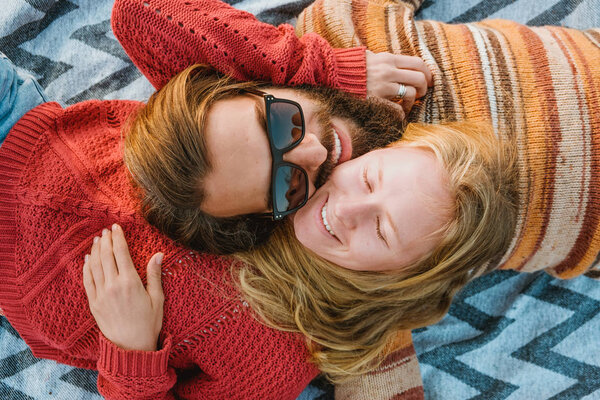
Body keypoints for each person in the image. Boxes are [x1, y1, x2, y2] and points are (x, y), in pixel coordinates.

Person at [0, 0, 431, 398]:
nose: (315, 151)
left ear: (257, 221)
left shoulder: (270, 350)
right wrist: (321, 68)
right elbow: (140, 12)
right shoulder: (228, 103)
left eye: (288, 185)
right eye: (282, 120)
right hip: (16, 119)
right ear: (253, 86)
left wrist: (131, 350)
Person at [112, 0, 433, 254]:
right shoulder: (371, 240)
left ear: (253, 82)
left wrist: (323, 68)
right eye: (285, 186)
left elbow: (138, 13)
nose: (316, 152)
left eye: (279, 121)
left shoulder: (340, 25)